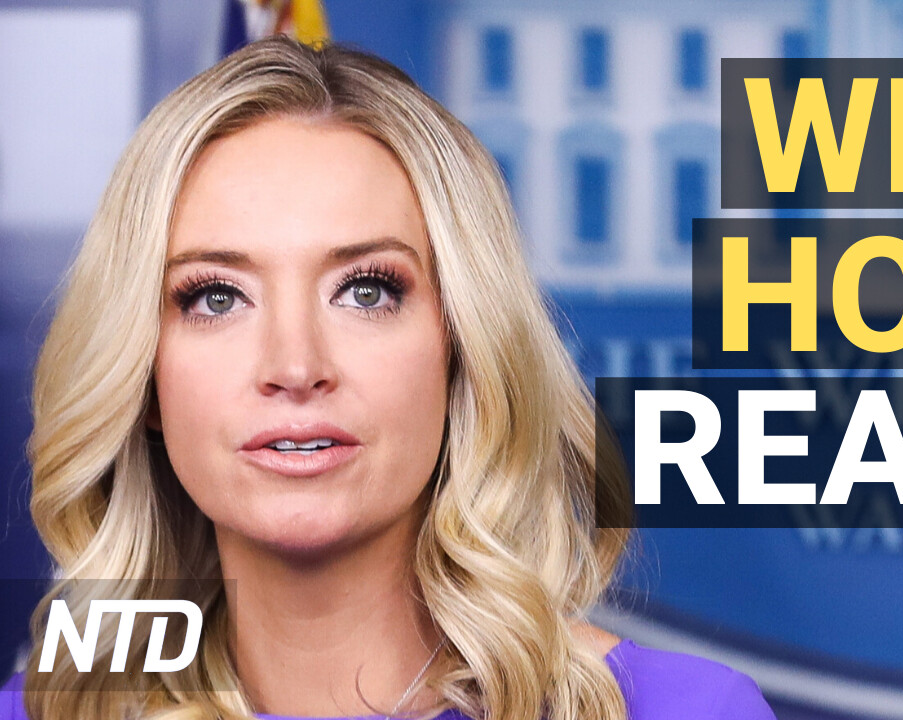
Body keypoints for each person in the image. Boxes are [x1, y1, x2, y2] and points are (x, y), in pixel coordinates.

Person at [0, 37, 775, 720]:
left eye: (366, 291)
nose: (295, 368)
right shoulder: (48, 713)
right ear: (143, 377)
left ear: (460, 348)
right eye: (216, 297)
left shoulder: (685, 712)